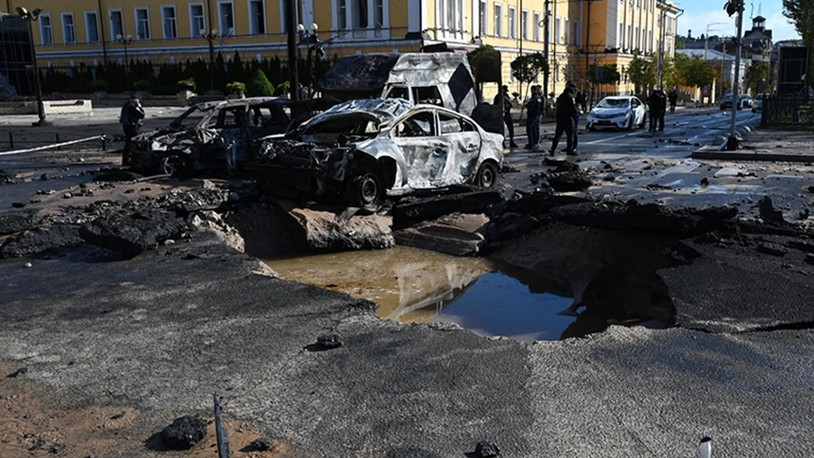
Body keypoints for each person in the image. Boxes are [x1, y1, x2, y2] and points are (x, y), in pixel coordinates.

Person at [549, 83, 578, 156]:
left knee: (558, 135)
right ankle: (569, 150)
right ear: (571, 88)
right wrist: (576, 113)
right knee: (570, 134)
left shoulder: (561, 96)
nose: (575, 90)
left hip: (560, 118)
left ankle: (552, 149)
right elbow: (572, 108)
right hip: (568, 118)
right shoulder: (570, 96)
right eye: (574, 88)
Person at [119, 95, 145, 166]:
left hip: (126, 126)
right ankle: (136, 160)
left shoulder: (126, 106)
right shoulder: (132, 107)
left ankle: (125, 160)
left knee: (128, 143)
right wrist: (139, 106)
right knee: (136, 143)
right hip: (132, 126)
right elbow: (142, 115)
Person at [524, 85, 543, 149]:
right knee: (535, 130)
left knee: (529, 130)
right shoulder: (539, 97)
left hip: (532, 116)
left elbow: (530, 105)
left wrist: (526, 104)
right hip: (537, 115)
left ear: (532, 90)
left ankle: (531, 143)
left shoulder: (534, 97)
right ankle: (535, 142)